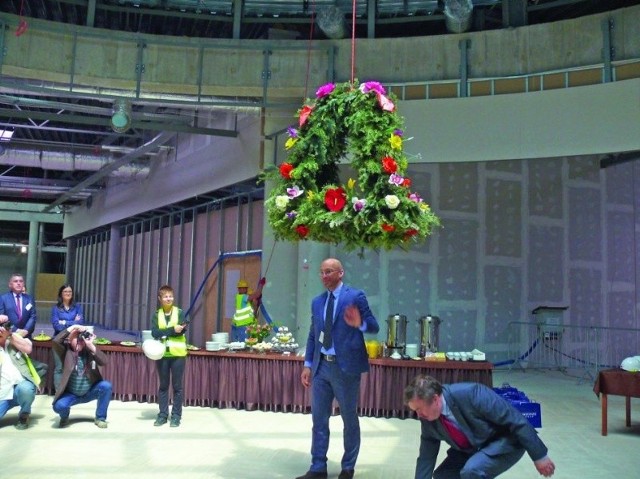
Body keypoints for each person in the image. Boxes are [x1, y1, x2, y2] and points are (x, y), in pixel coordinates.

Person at [295, 258, 380, 479]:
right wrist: (307, 364)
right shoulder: (317, 301)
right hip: (322, 366)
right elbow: (314, 334)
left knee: (349, 419)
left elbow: (373, 326)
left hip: (346, 369)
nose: (324, 276)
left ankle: (348, 467)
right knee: (318, 419)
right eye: (321, 272)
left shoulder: (355, 296)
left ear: (340, 273)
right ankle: (317, 468)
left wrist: (359, 322)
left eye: (329, 272)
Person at [404, 375, 556, 479]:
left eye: (419, 409)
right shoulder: (428, 419)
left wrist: (539, 456)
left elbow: (516, 420)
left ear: (435, 399)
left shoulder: (471, 393)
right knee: (443, 476)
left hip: (505, 442)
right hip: (473, 447)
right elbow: (426, 457)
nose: (418, 415)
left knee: (472, 471)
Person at [51, 324, 112, 429]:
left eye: (81, 340)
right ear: (70, 340)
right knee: (59, 406)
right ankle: (65, 416)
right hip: (71, 394)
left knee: (106, 386)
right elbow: (56, 341)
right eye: (76, 339)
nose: (79, 342)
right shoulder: (65, 351)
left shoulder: (89, 350)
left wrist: (91, 345)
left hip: (89, 391)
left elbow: (104, 361)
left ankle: (100, 418)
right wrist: (73, 327)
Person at [151, 284, 187, 427]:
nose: (168, 298)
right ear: (160, 298)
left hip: (178, 355)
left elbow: (182, 331)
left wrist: (168, 331)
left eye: (170, 296)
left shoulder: (180, 313)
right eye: (165, 296)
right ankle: (162, 415)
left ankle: (176, 416)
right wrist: (173, 329)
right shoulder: (156, 315)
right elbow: (155, 333)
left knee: (177, 386)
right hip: (162, 355)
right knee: (164, 386)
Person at [0, 316, 41, 430]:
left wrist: (10, 335)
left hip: (20, 386)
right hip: (2, 391)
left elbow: (28, 348)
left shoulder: (14, 338)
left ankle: (24, 413)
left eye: (2, 326)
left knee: (26, 389)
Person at [0, 273, 37, 339]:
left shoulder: (30, 299)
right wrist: (16, 330)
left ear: (23, 284)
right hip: (9, 336)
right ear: (10, 284)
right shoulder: (3, 299)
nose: (18, 283)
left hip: (26, 336)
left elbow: (32, 317)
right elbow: (2, 319)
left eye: (21, 281)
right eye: (15, 281)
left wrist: (26, 330)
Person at [231, 277, 265, 342]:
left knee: (239, 345)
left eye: (245, 288)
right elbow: (257, 294)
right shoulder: (242, 297)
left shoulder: (245, 301)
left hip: (240, 325)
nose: (244, 290)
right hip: (241, 325)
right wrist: (261, 284)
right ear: (239, 289)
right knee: (242, 345)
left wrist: (256, 305)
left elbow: (253, 315)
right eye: (242, 288)